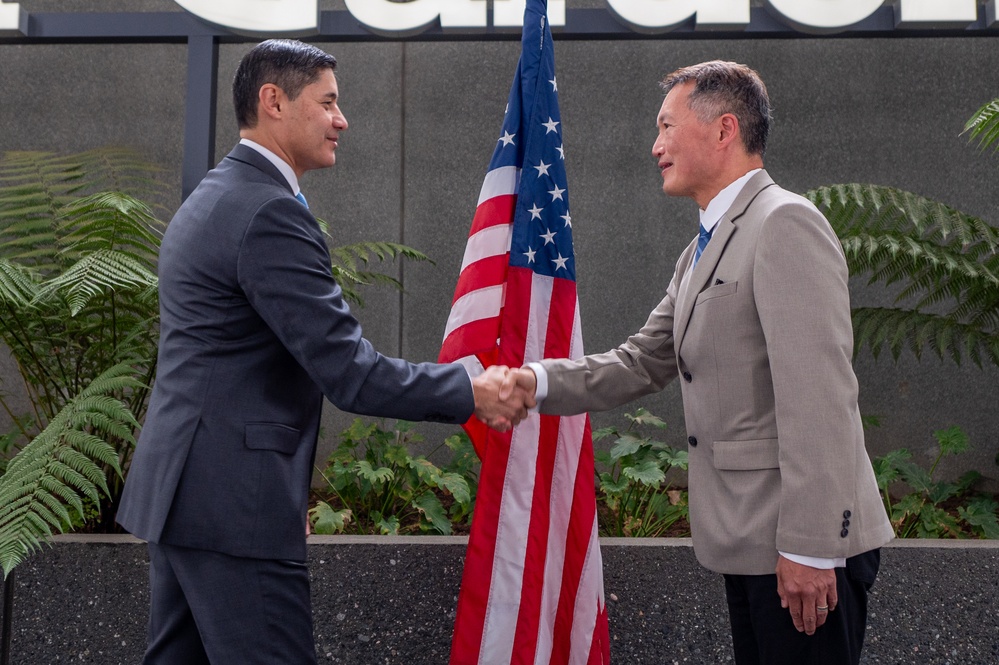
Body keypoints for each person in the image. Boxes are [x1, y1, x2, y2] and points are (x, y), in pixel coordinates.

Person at [116, 39, 528, 665]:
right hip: (234, 509)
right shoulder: (268, 212)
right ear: (273, 101)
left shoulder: (216, 195)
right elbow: (349, 372)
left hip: (190, 498)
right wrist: (470, 389)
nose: (342, 120)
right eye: (329, 102)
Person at [501, 60, 894, 665]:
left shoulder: (784, 223)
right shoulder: (702, 248)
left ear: (723, 130)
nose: (655, 146)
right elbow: (641, 361)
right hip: (749, 541)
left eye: (665, 127)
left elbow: (820, 398)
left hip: (802, 547)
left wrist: (814, 549)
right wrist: (534, 380)